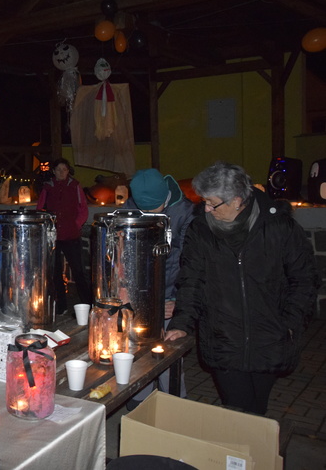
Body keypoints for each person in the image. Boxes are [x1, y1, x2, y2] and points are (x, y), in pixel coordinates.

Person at [165, 162, 318, 415]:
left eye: (213, 203)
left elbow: (304, 280)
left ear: (237, 201)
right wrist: (182, 323)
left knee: (257, 410)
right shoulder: (201, 230)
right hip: (223, 337)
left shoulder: (279, 227)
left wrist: (291, 324)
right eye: (204, 201)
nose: (206, 209)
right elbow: (192, 281)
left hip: (270, 337)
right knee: (238, 410)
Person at [122, 168, 196, 409]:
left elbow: (191, 264)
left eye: (155, 211)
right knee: (138, 352)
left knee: (166, 355)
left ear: (165, 197)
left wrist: (178, 300)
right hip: (139, 296)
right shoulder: (128, 208)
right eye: (144, 211)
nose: (149, 217)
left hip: (170, 293)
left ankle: (176, 407)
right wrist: (125, 289)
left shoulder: (186, 212)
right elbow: (123, 255)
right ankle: (139, 403)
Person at [36, 158, 91, 313]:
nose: (61, 172)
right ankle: (61, 306)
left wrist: (76, 224)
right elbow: (40, 209)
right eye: (58, 169)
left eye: (64, 169)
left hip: (71, 235)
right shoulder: (48, 187)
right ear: (53, 171)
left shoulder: (75, 186)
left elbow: (83, 209)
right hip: (53, 236)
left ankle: (88, 304)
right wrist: (47, 227)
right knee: (55, 272)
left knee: (78, 271)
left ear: (68, 171)